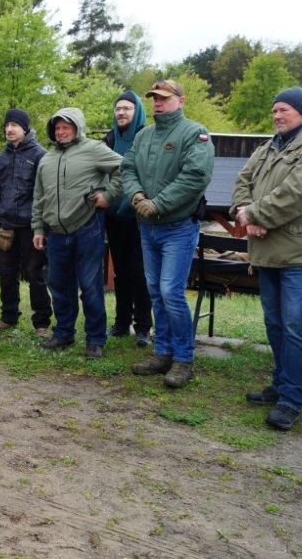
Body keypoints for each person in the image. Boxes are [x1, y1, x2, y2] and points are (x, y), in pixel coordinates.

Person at [232, 87, 302, 430]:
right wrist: (243, 211)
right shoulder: (268, 147)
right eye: (274, 110)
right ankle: (280, 384)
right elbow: (243, 181)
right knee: (275, 323)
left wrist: (257, 216)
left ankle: (292, 398)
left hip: (299, 253)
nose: (277, 116)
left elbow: (300, 192)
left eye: (284, 110)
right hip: (266, 250)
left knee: (295, 326)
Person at [121, 79, 214, 388]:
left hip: (177, 227)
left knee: (171, 292)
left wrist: (157, 204)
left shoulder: (194, 133)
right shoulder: (144, 135)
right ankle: (162, 353)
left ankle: (184, 360)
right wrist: (136, 197)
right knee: (156, 292)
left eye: (164, 98)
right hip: (148, 227)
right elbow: (128, 169)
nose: (157, 103)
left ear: (180, 100)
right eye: (154, 98)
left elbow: (195, 176)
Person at [31, 108, 122, 358]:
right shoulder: (46, 160)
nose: (61, 132)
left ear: (77, 127)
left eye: (66, 127)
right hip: (56, 232)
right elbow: (39, 197)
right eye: (57, 127)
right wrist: (38, 228)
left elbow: (124, 168)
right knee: (58, 285)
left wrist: (109, 196)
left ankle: (95, 339)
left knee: (90, 287)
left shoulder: (94, 149)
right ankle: (63, 333)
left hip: (87, 226)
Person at [0, 108, 54, 336]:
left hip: (31, 226)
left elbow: (45, 193)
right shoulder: (2, 157)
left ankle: (42, 323)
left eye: (14, 125)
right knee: (6, 272)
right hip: (5, 225)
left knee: (35, 273)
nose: (9, 129)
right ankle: (8, 317)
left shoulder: (40, 155)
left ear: (25, 128)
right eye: (7, 125)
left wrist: (41, 225)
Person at [102, 91, 153, 346]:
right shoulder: (110, 139)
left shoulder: (146, 136)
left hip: (139, 217)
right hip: (113, 216)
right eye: (118, 108)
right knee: (119, 273)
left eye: (127, 109)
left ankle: (143, 327)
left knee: (139, 273)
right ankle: (121, 323)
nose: (121, 113)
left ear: (138, 112)